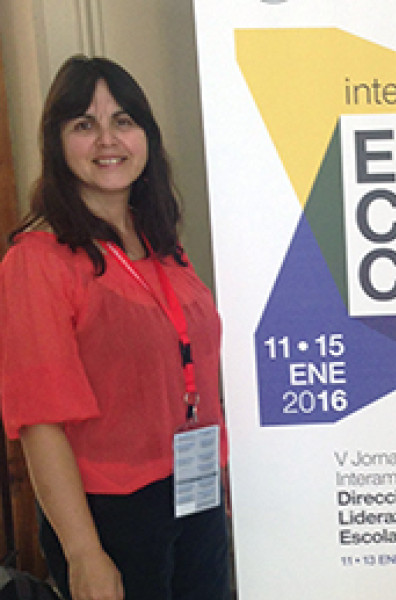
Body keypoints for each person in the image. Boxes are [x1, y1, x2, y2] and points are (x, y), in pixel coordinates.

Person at [0, 55, 230, 600]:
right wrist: (83, 552)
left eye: (123, 120)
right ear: (58, 143)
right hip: (112, 512)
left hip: (196, 490)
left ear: (145, 136)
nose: (108, 139)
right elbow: (40, 422)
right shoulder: (38, 261)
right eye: (85, 124)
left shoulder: (160, 244)